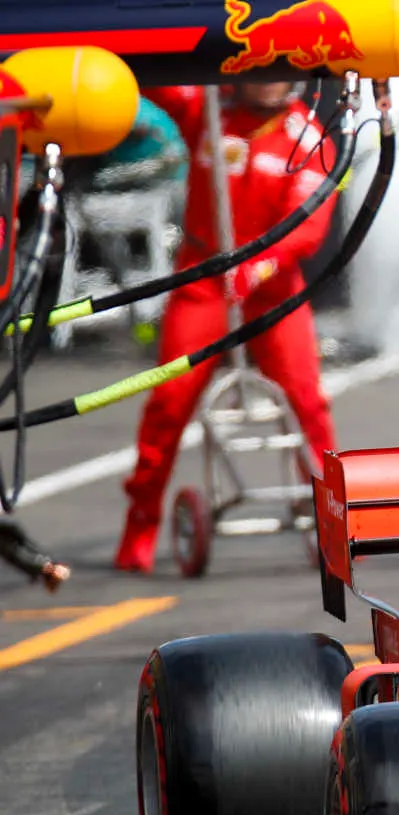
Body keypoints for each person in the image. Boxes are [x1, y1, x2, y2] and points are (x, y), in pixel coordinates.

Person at [114, 82, 338, 574]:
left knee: (307, 402)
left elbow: (309, 226)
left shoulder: (309, 137)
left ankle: (332, 519)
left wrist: (260, 264)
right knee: (168, 401)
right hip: (203, 279)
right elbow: (162, 84)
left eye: (279, 69)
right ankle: (142, 520)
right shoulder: (208, 107)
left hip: (273, 290)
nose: (270, 79)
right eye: (260, 68)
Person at [1, 517, 68, 593]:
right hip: (10, 537)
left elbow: (17, 555)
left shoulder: (37, 565)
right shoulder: (44, 562)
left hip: (7, 539)